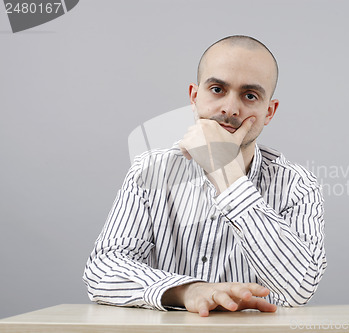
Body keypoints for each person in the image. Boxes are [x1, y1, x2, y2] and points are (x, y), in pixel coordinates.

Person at [83, 35, 327, 317]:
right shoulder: (149, 171)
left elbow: (297, 289)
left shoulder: (298, 185)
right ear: (194, 97)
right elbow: (103, 270)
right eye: (217, 89)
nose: (230, 109)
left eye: (250, 96)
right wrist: (188, 290)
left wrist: (227, 174)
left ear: (269, 112)